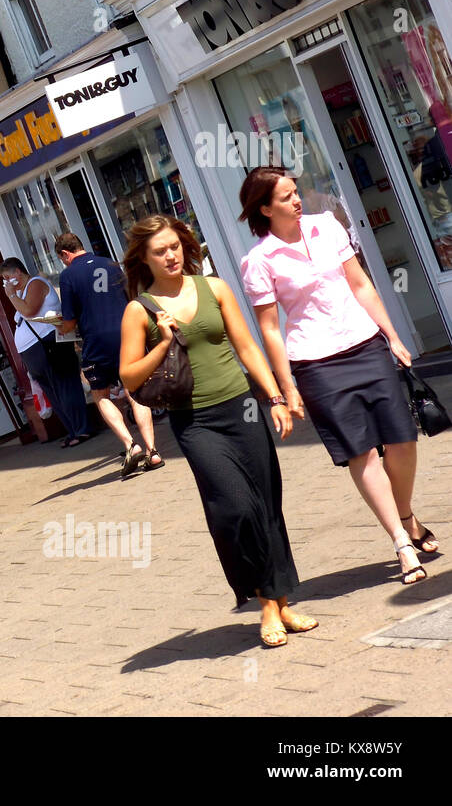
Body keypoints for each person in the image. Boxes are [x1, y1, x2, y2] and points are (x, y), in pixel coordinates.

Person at [120, 215, 315, 648]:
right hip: (196, 422)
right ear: (144, 259)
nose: (170, 255)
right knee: (235, 507)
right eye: (159, 251)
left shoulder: (215, 288)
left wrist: (276, 397)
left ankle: (280, 601)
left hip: (241, 408)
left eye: (174, 246)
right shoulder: (141, 310)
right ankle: (265, 601)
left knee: (266, 504)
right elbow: (129, 377)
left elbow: (246, 346)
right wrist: (163, 343)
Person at [238, 168, 430, 586]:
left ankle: (405, 513)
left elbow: (360, 285)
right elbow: (269, 328)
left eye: (295, 191)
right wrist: (287, 388)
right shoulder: (259, 261)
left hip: (365, 344)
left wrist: (392, 335)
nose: (296, 200)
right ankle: (401, 541)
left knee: (402, 439)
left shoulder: (327, 226)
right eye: (285, 197)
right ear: (265, 208)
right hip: (316, 363)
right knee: (361, 453)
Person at [56, 232, 162, 477]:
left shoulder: (68, 275)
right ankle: (153, 452)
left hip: (96, 341)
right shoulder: (112, 264)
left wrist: (60, 327)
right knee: (134, 390)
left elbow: (70, 321)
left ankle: (130, 445)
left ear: (65, 254)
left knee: (100, 394)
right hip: (127, 334)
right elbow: (132, 298)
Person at [0, 257, 93, 447]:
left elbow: (30, 311)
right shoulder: (20, 292)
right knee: (53, 392)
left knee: (65, 386)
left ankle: (82, 429)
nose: (6, 282)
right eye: (4, 279)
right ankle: (72, 430)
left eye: (7, 277)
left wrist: (11, 296)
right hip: (34, 350)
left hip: (50, 343)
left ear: (18, 273)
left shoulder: (36, 284)